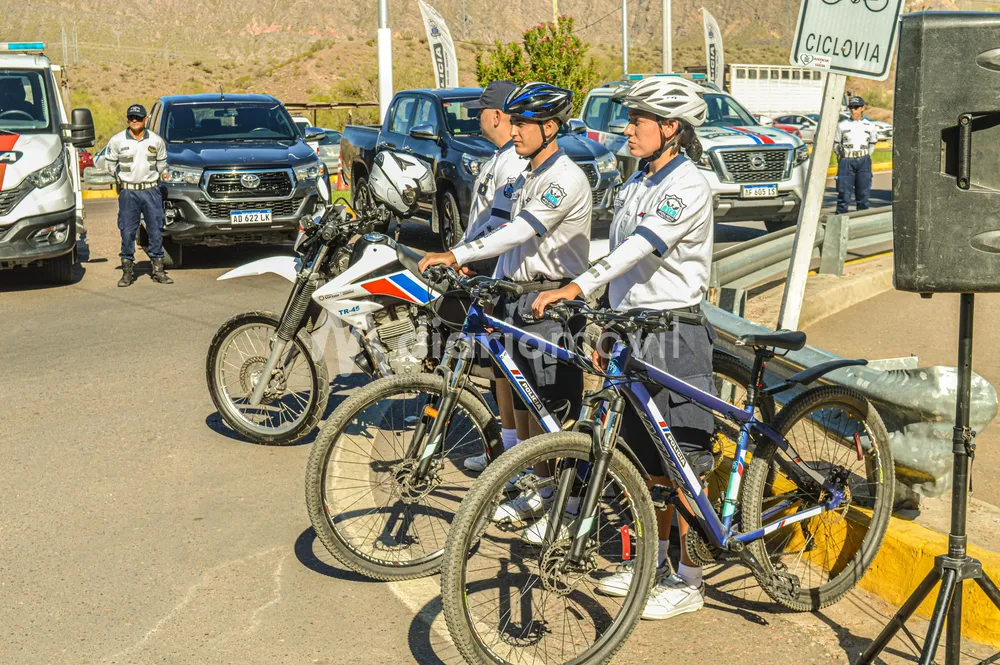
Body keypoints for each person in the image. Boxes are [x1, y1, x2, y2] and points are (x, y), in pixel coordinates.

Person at [533, 76, 716, 621]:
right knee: (645, 461)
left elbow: (640, 248)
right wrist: (607, 326)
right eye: (630, 119)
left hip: (675, 333)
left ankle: (690, 580)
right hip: (634, 331)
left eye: (638, 121)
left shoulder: (688, 187)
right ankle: (654, 565)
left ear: (671, 130)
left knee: (683, 463)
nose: (628, 129)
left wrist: (574, 287)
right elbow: (620, 263)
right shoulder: (637, 181)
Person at [418, 82, 592, 539]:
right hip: (517, 296)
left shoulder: (564, 177)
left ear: (549, 128)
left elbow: (520, 232)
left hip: (550, 300)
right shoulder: (526, 172)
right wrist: (466, 257)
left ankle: (565, 504)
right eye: (511, 121)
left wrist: (457, 256)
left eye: (522, 124)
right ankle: (539, 485)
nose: (512, 131)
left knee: (553, 411)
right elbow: (493, 224)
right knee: (523, 401)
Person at [455, 80, 530, 474]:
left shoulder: (514, 162)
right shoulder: (500, 157)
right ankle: (505, 451)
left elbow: (503, 226)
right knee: (499, 372)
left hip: (499, 271)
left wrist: (466, 257)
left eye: (481, 111)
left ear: (497, 115)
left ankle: (516, 460)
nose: (477, 117)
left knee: (511, 374)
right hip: (487, 266)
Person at [104, 104, 171, 287]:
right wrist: (121, 179)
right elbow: (109, 164)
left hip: (151, 191)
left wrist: (156, 178)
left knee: (155, 230)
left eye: (139, 118)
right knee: (127, 231)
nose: (135, 121)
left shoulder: (156, 141)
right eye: (132, 118)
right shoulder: (117, 140)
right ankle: (127, 271)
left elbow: (162, 164)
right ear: (127, 119)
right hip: (128, 192)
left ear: (145, 120)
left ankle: (158, 269)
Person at [834, 96, 879, 214]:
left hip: (863, 161)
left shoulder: (870, 126)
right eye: (851, 107)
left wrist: (865, 156)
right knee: (844, 195)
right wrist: (843, 156)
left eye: (856, 107)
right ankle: (839, 223)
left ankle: (862, 224)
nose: (853, 110)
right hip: (846, 161)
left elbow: (872, 144)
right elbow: (836, 144)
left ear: (863, 108)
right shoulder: (842, 125)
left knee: (863, 195)